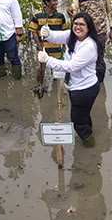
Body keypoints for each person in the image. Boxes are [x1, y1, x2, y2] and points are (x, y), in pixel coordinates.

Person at [38, 12, 103, 147]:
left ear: (89, 28)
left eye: (82, 25)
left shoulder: (89, 46)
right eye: (75, 24)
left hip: (85, 89)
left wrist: (48, 60)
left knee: (78, 123)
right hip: (76, 86)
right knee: (84, 114)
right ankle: (89, 132)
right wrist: (48, 33)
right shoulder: (72, 36)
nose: (78, 27)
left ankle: (90, 146)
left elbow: (71, 66)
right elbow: (57, 37)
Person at [67, 0, 112, 83]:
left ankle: (100, 83)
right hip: (85, 34)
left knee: (99, 57)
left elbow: (110, 11)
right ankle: (87, 80)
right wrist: (70, 11)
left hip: (100, 32)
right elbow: (74, 12)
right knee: (85, 57)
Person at [27, 0, 68, 83]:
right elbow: (34, 32)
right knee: (40, 69)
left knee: (56, 71)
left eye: (56, 0)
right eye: (54, 1)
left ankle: (55, 87)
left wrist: (64, 46)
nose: (56, 2)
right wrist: (39, 46)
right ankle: (39, 85)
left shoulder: (60, 16)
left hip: (56, 49)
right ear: (47, 2)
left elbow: (64, 32)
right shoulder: (37, 15)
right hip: (42, 48)